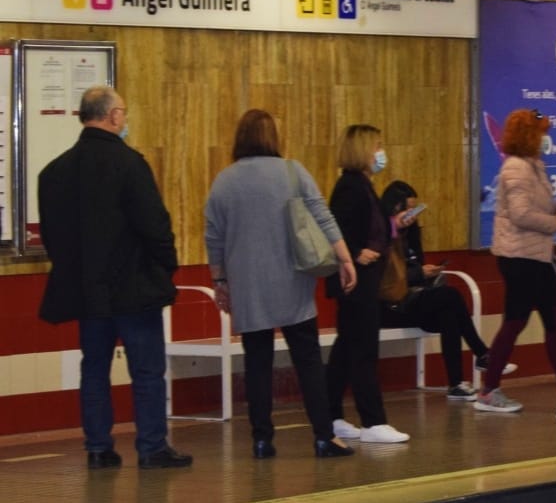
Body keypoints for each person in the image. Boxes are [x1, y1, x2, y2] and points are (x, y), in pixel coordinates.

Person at [37, 85, 192, 469]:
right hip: (134, 288)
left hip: (88, 291)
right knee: (146, 370)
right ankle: (152, 446)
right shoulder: (129, 164)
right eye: (123, 111)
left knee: (94, 367)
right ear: (113, 116)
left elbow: (53, 237)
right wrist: (165, 265)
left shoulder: (54, 172)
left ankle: (98, 447)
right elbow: (155, 224)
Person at [204, 109, 357, 459]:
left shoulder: (225, 180)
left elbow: (213, 236)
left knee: (257, 361)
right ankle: (323, 436)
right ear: (273, 137)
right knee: (306, 357)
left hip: (248, 283)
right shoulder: (292, 171)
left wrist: (219, 281)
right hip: (292, 278)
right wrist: (345, 259)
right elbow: (322, 215)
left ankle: (261, 439)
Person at [473, 109, 556, 413]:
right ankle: (489, 390)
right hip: (520, 258)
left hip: (537, 255)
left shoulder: (534, 166)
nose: (546, 138)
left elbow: (532, 205)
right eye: (541, 132)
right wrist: (553, 223)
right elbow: (520, 214)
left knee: (552, 319)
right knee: (519, 321)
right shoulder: (516, 168)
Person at [325, 124, 410, 444]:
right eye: (377, 145)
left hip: (366, 279)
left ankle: (330, 413)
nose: (381, 152)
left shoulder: (363, 185)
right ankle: (373, 420)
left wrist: (394, 225)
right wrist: (355, 253)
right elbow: (337, 228)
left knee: (346, 349)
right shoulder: (350, 186)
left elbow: (370, 226)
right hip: (356, 280)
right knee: (362, 349)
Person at [379, 180, 494, 400]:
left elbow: (415, 264)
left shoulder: (411, 233)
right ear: (394, 209)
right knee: (451, 296)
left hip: (413, 298)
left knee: (448, 312)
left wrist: (426, 271)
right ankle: (481, 353)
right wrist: (419, 272)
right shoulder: (381, 234)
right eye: (407, 209)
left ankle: (457, 383)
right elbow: (388, 277)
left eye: (414, 209)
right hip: (390, 305)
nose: (412, 215)